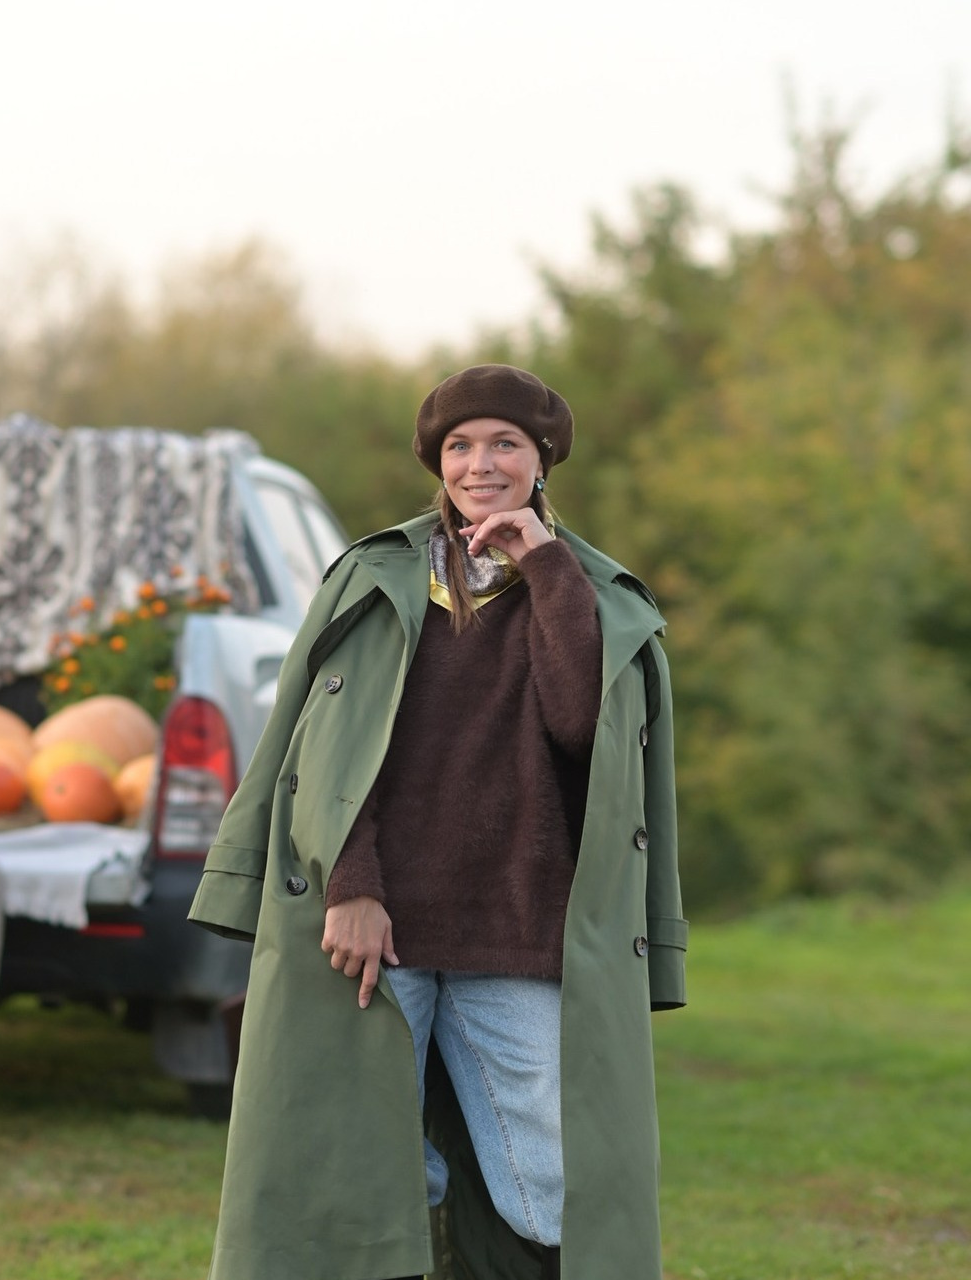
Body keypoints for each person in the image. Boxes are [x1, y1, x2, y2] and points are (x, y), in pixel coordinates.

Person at [189, 365, 688, 1280]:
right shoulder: (373, 578)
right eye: (460, 445)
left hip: (519, 923)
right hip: (380, 926)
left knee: (556, 1181)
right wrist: (353, 886)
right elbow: (330, 757)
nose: (479, 463)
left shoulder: (588, 589)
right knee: (371, 1172)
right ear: (437, 460)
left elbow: (581, 722)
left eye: (504, 444)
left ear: (542, 461)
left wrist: (543, 563)